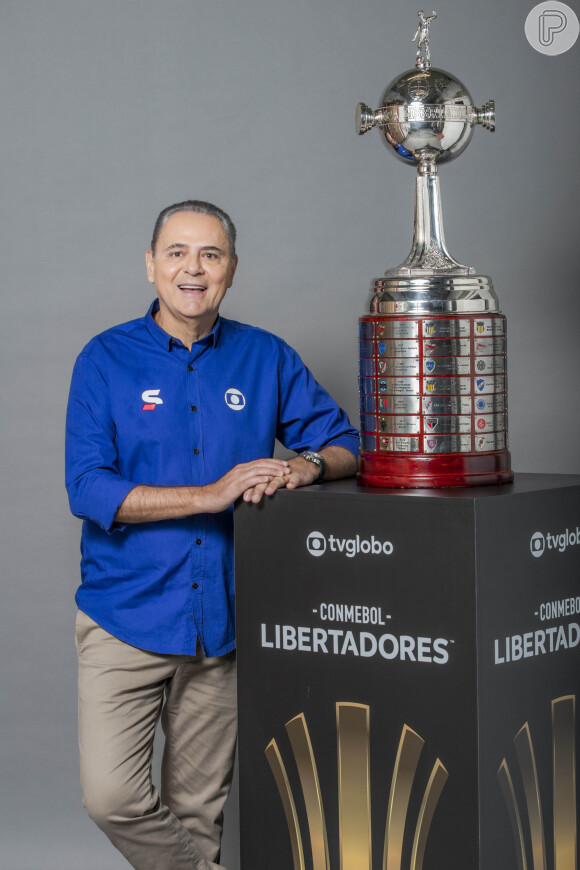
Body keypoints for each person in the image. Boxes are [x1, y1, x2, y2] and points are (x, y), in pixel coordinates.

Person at [65, 200, 359, 870]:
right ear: (150, 265)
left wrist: (303, 466)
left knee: (199, 813)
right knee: (113, 797)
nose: (192, 269)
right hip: (124, 617)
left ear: (231, 270)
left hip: (224, 622)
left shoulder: (265, 356)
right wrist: (211, 494)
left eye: (210, 254)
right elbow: (88, 488)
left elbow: (344, 444)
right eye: (176, 252)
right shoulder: (105, 359)